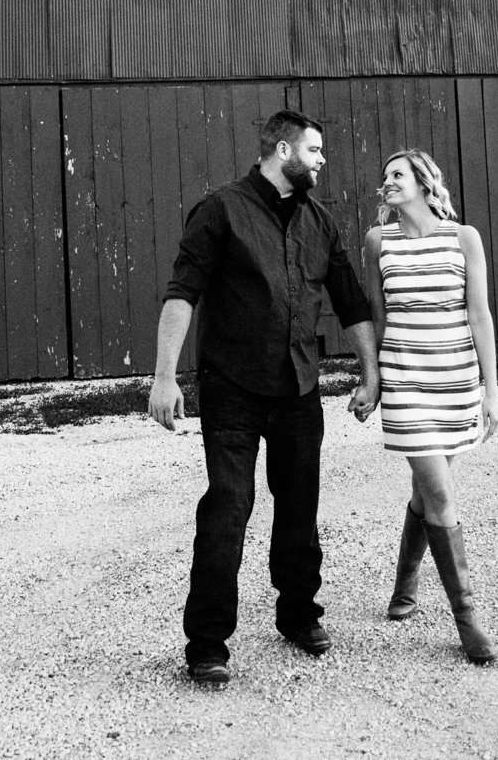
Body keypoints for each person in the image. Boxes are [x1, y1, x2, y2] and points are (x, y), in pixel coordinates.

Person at [147, 110, 381, 687]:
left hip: (299, 385)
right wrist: (164, 376)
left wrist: (370, 374)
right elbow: (183, 293)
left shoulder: (320, 223)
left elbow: (350, 304)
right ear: (283, 150)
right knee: (229, 506)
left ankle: (299, 615)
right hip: (233, 387)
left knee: (300, 506)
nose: (323, 160)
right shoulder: (221, 210)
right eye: (315, 150)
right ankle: (206, 644)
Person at [363, 148, 498, 664]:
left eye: (397, 174)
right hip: (405, 384)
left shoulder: (463, 238)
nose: (387, 182)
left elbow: (481, 316)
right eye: (385, 177)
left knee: (427, 493)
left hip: (456, 383)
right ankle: (467, 621)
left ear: (424, 182)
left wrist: (491, 390)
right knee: (441, 494)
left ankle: (404, 586)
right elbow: (378, 320)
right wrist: (372, 380)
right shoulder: (378, 242)